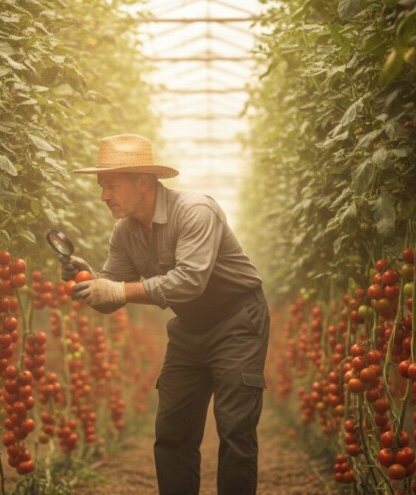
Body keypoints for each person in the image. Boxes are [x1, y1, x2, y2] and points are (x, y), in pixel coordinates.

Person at [62, 134, 270, 495]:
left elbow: (189, 282)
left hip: (237, 320)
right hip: (189, 326)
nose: (104, 196)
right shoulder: (124, 232)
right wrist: (89, 280)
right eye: (101, 187)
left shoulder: (195, 211)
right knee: (173, 431)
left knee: (235, 429)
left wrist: (118, 290)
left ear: (144, 182)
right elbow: (111, 294)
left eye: (111, 185)